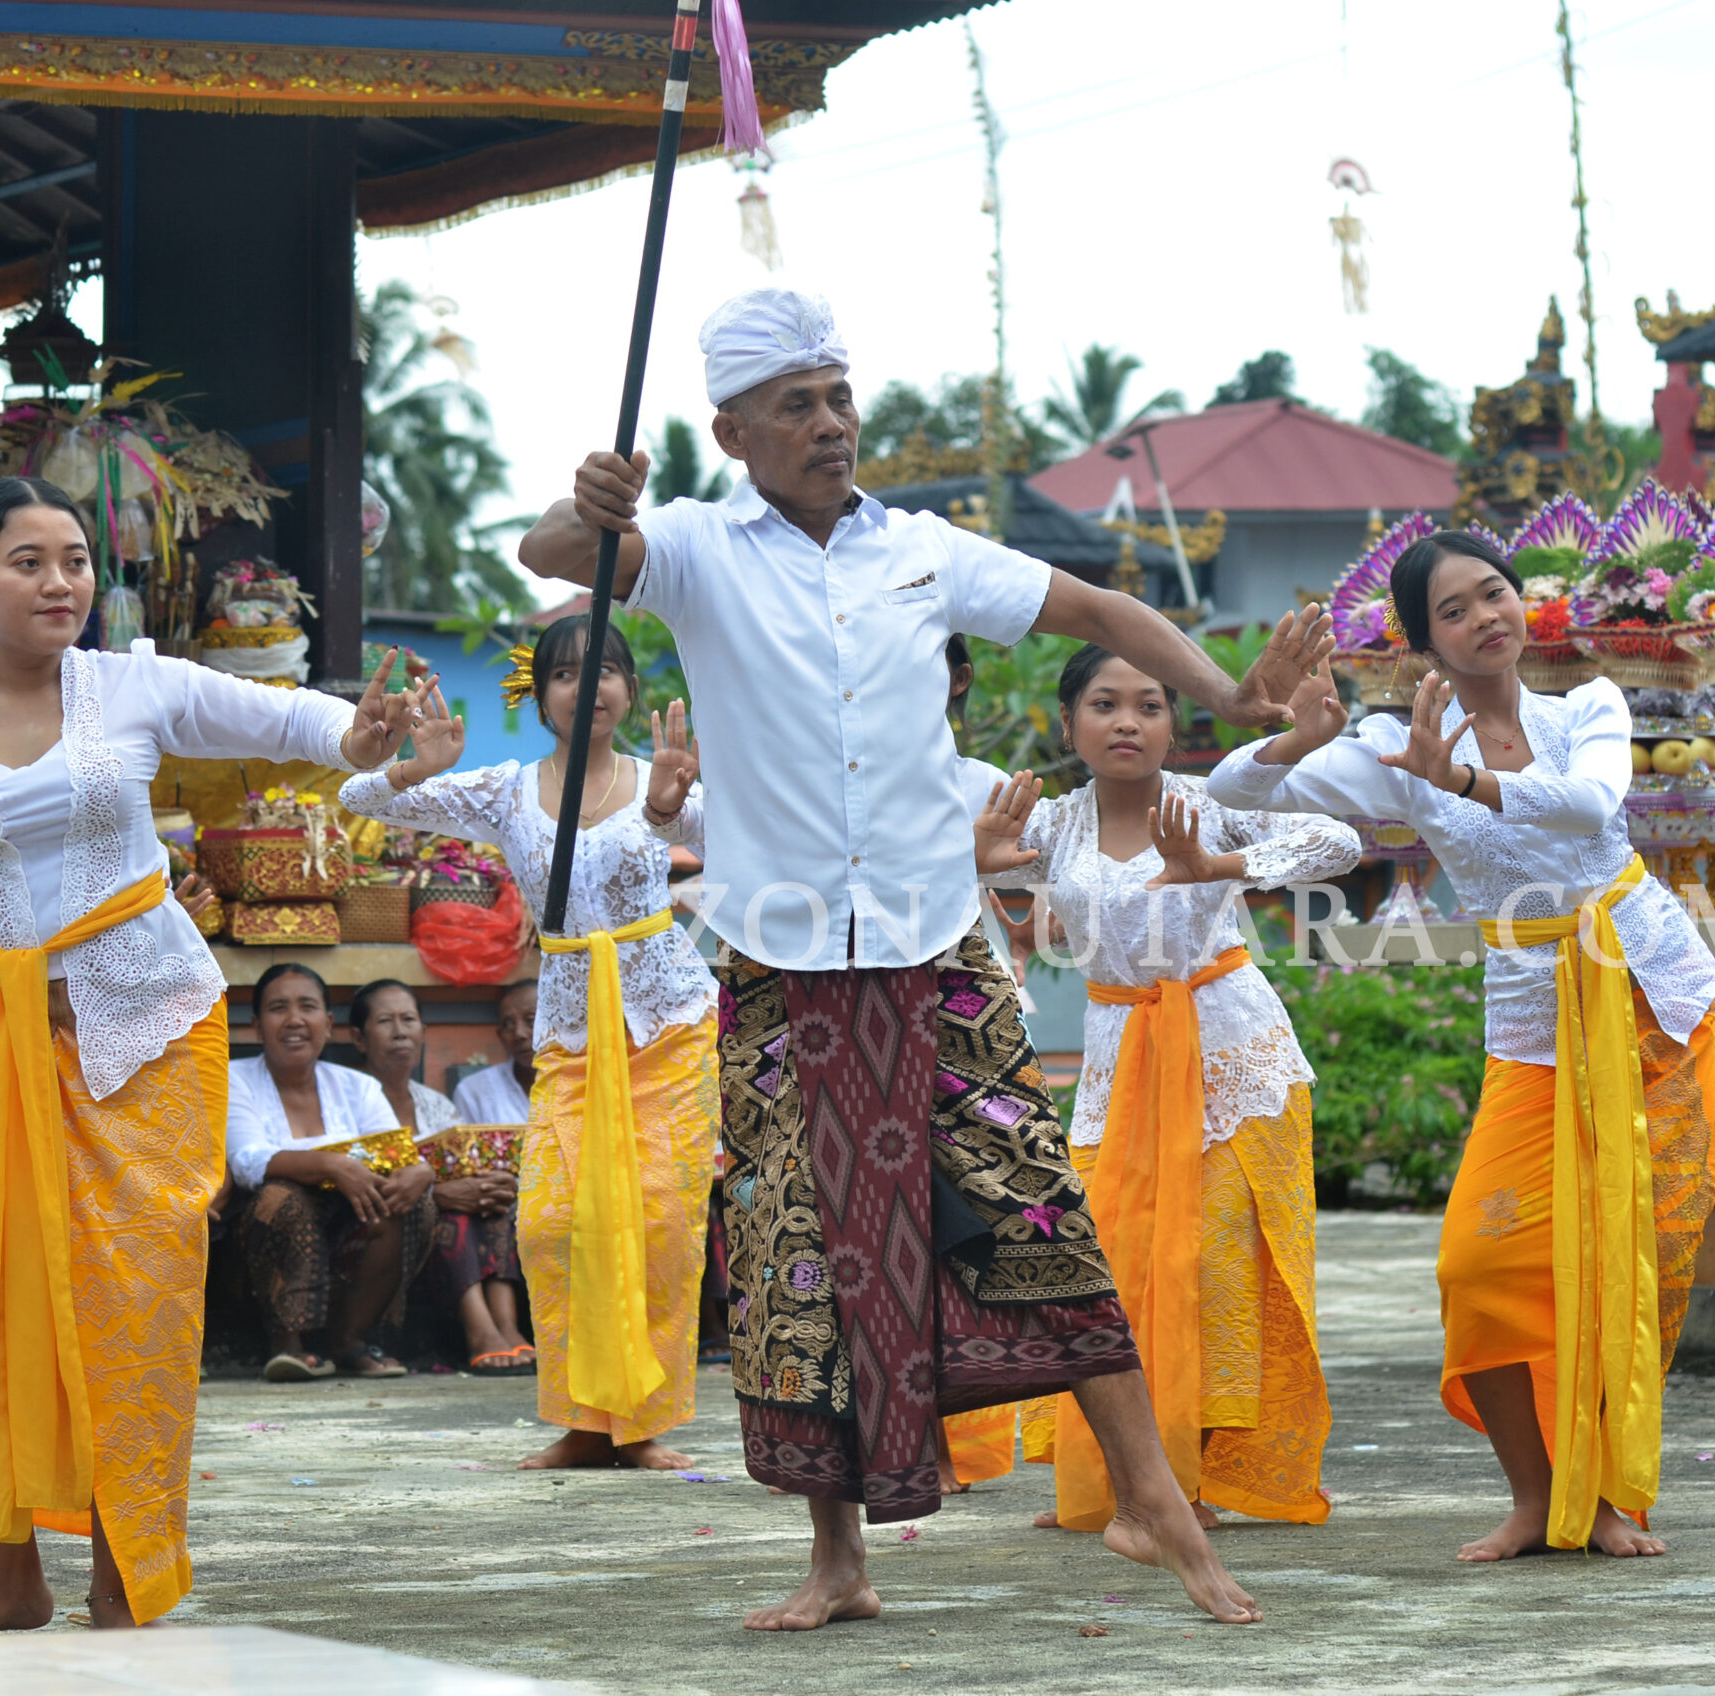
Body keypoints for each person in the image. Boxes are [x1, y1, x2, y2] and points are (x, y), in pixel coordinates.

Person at [517, 286, 1328, 1628]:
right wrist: (589, 503)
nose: (831, 423)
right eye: (798, 405)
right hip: (779, 962)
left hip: (932, 943)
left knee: (1040, 1219)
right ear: (732, 431)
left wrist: (1232, 694)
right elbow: (562, 551)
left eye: (839, 396)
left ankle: (1159, 1509)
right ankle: (838, 1562)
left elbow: (1110, 617)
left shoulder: (928, 551)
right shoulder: (693, 550)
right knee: (799, 1260)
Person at [0, 478, 424, 1635]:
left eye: (74, 561)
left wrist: (354, 736)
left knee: (128, 1308)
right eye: (28, 562)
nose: (61, 583)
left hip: (144, 1023)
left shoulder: (131, 684)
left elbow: (296, 720)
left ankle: (122, 1569)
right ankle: (8, 1577)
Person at [1206, 529, 1715, 1562]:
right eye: (1455, 608)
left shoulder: (1587, 708)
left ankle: (1612, 1495)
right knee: (1476, 1265)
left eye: (1494, 592)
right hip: (1531, 1023)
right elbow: (1230, 791)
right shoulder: (1403, 747)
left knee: (1626, 1257)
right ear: (1421, 641)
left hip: (1646, 999)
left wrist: (1473, 784)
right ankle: (1534, 1499)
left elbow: (1593, 807)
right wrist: (1291, 737)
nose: (1485, 614)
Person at [961, 644, 1359, 1531]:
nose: (1129, 722)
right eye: (1105, 704)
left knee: (1213, 1269)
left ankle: (1198, 1475)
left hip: (1233, 1058)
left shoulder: (1204, 808)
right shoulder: (1056, 824)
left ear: (1174, 725)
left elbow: (1338, 841)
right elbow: (967, 876)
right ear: (1069, 725)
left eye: (1149, 704)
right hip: (1118, 1064)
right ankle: (1129, 1469)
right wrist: (982, 863)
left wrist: (1222, 868)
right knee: (1102, 1265)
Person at [343, 613, 720, 1471]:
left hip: (666, 1022)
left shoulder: (664, 781)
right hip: (570, 1028)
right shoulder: (506, 791)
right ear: (542, 694)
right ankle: (585, 1420)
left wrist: (667, 812)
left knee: (658, 1222)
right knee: (553, 1223)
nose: (587, 686)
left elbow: (755, 843)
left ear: (628, 688)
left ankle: (641, 1424)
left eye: (606, 669)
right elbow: (356, 798)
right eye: (565, 673)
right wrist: (415, 766)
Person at [227, 964, 439, 1383]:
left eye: (307, 1007)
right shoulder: (235, 1080)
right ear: (256, 1026)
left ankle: (351, 1340)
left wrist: (421, 1173)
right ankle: (288, 1342)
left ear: (327, 1024)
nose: (294, 1020)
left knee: (407, 1203)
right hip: (250, 1244)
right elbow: (246, 1160)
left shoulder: (357, 1087)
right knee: (281, 1198)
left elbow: (397, 1155)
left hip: (345, 1231)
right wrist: (331, 1165)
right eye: (278, 1008)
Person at [348, 977, 530, 1375]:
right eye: (385, 1021)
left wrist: (483, 1187)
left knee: (490, 1202)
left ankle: (508, 1328)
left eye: (408, 1019)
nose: (400, 1032)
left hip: (439, 1221)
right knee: (453, 1214)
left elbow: (462, 1169)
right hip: (383, 1223)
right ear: (359, 1038)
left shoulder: (438, 1104)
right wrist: (441, 1194)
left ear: (423, 1032)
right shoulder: (347, 1095)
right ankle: (480, 1332)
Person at [452, 982, 537, 1125]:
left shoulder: (580, 1085)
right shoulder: (473, 1091)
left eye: (531, 1020)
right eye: (508, 1024)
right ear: (500, 1036)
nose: (519, 1034)